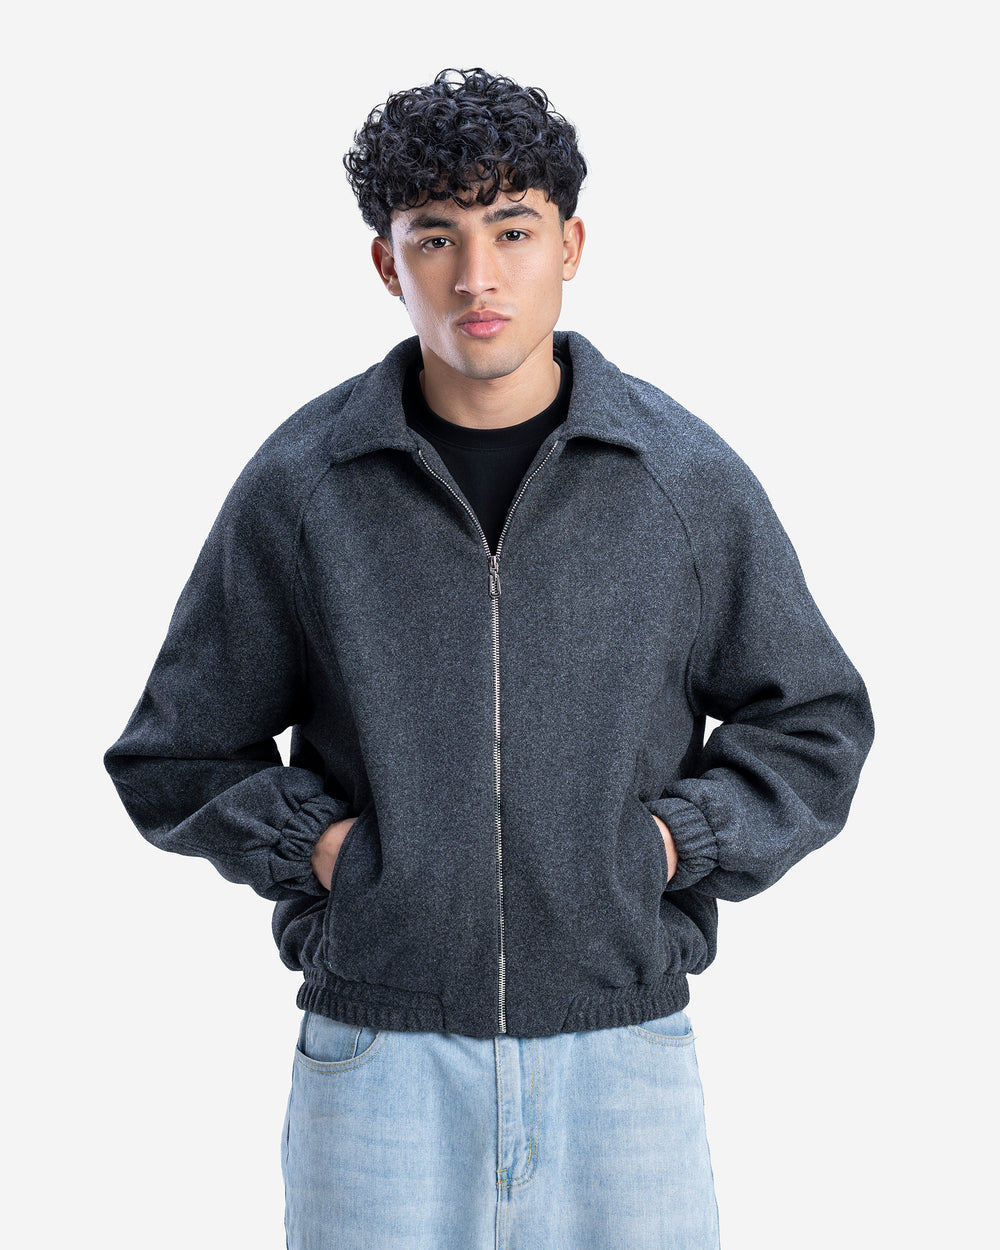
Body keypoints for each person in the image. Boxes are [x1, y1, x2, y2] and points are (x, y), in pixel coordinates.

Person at [105, 67, 874, 1249]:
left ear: (570, 245)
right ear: (387, 262)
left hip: (621, 1059)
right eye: (436, 237)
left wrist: (668, 843)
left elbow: (813, 720)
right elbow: (174, 750)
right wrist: (327, 851)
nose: (477, 276)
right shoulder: (305, 487)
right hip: (380, 1062)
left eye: (511, 230)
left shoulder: (680, 480)